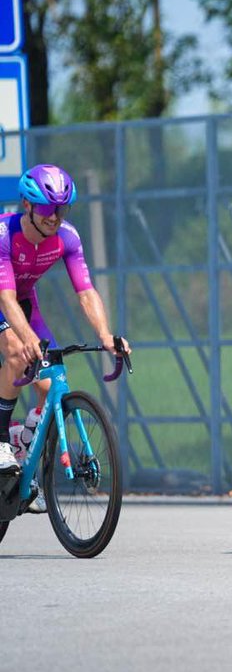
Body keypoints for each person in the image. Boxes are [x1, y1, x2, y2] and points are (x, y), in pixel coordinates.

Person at [0, 164, 131, 514]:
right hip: (4, 299)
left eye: (62, 208)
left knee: (48, 384)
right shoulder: (3, 234)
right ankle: (1, 440)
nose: (54, 217)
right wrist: (26, 338)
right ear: (27, 205)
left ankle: (24, 457)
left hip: (24, 300)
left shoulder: (67, 238)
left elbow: (86, 292)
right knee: (17, 351)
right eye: (46, 208)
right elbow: (6, 299)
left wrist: (105, 335)